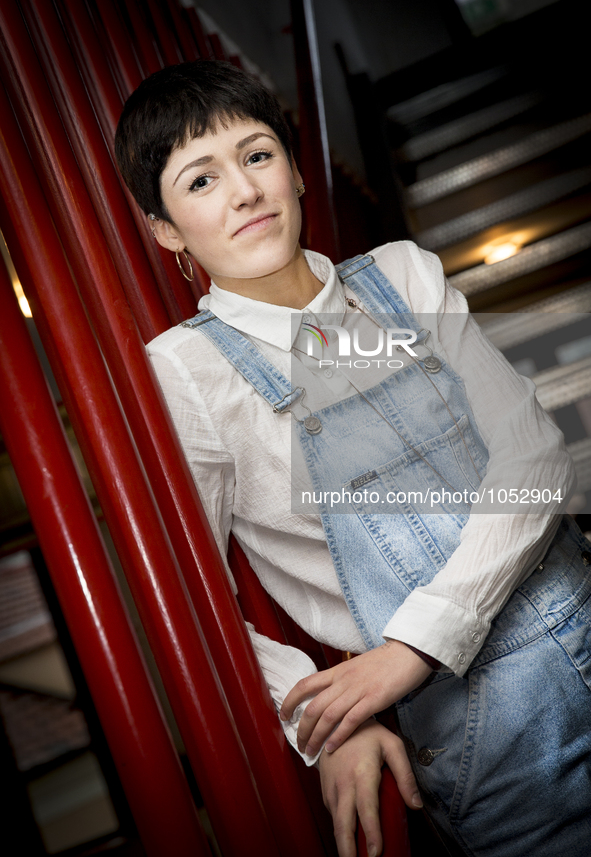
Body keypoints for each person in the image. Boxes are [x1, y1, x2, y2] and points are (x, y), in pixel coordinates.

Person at [115, 60, 591, 857]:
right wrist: (320, 720)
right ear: (167, 230)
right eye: (200, 180)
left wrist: (411, 645)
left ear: (297, 172)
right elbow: (187, 597)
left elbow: (533, 456)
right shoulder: (185, 372)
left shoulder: (403, 276)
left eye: (257, 155)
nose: (243, 190)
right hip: (486, 740)